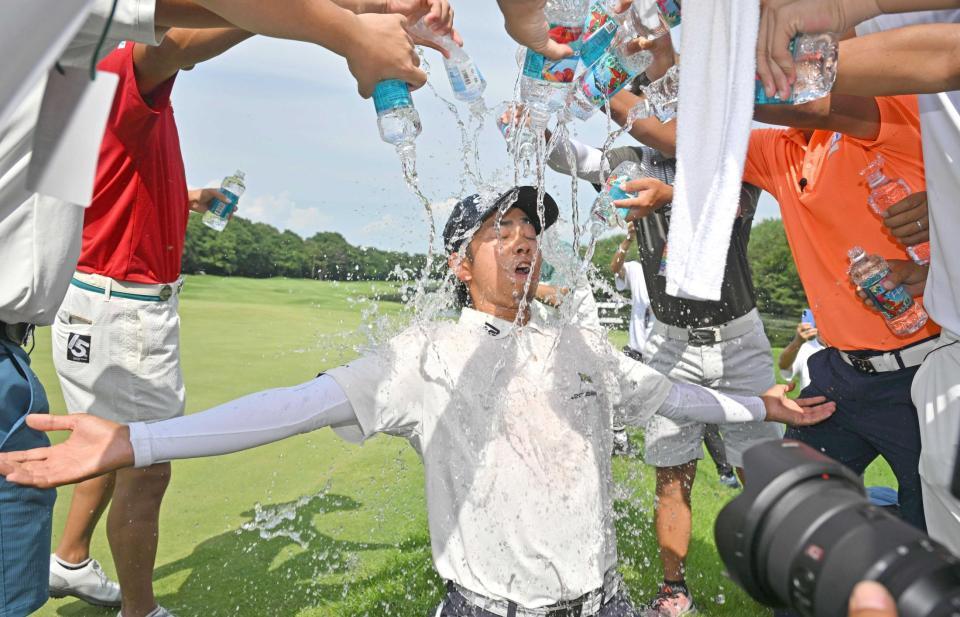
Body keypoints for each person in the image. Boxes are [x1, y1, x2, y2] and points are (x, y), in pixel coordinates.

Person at [0, 187, 835, 617]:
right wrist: (137, 441)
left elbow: (674, 396)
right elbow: (287, 406)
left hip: (604, 601)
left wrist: (764, 407)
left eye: (530, 227)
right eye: (496, 229)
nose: (521, 239)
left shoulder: (579, 345)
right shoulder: (421, 358)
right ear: (458, 264)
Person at [44, 27, 259, 617]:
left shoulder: (81, 80)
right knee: (147, 463)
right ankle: (141, 611)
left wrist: (181, 196)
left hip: (94, 297)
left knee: (109, 441)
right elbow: (184, 44)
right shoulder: (119, 66)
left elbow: (95, 189)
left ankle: (69, 559)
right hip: (124, 309)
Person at [547, 116, 781, 615]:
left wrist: (669, 194)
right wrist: (536, 129)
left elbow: (729, 203)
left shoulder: (729, 151)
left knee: (759, 469)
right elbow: (575, 157)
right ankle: (675, 588)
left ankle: (777, 574)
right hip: (669, 343)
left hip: (738, 339)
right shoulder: (632, 160)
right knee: (671, 473)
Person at [746, 90, 940, 532]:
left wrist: (709, 67)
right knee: (790, 510)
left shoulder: (896, 101)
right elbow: (679, 135)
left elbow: (820, 104)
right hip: (842, 371)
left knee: (931, 533)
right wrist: (592, 77)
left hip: (926, 369)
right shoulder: (782, 147)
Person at [779, 319, 824, 391]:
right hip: (811, 401)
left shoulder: (846, 348)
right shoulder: (805, 348)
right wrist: (797, 342)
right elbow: (785, 367)